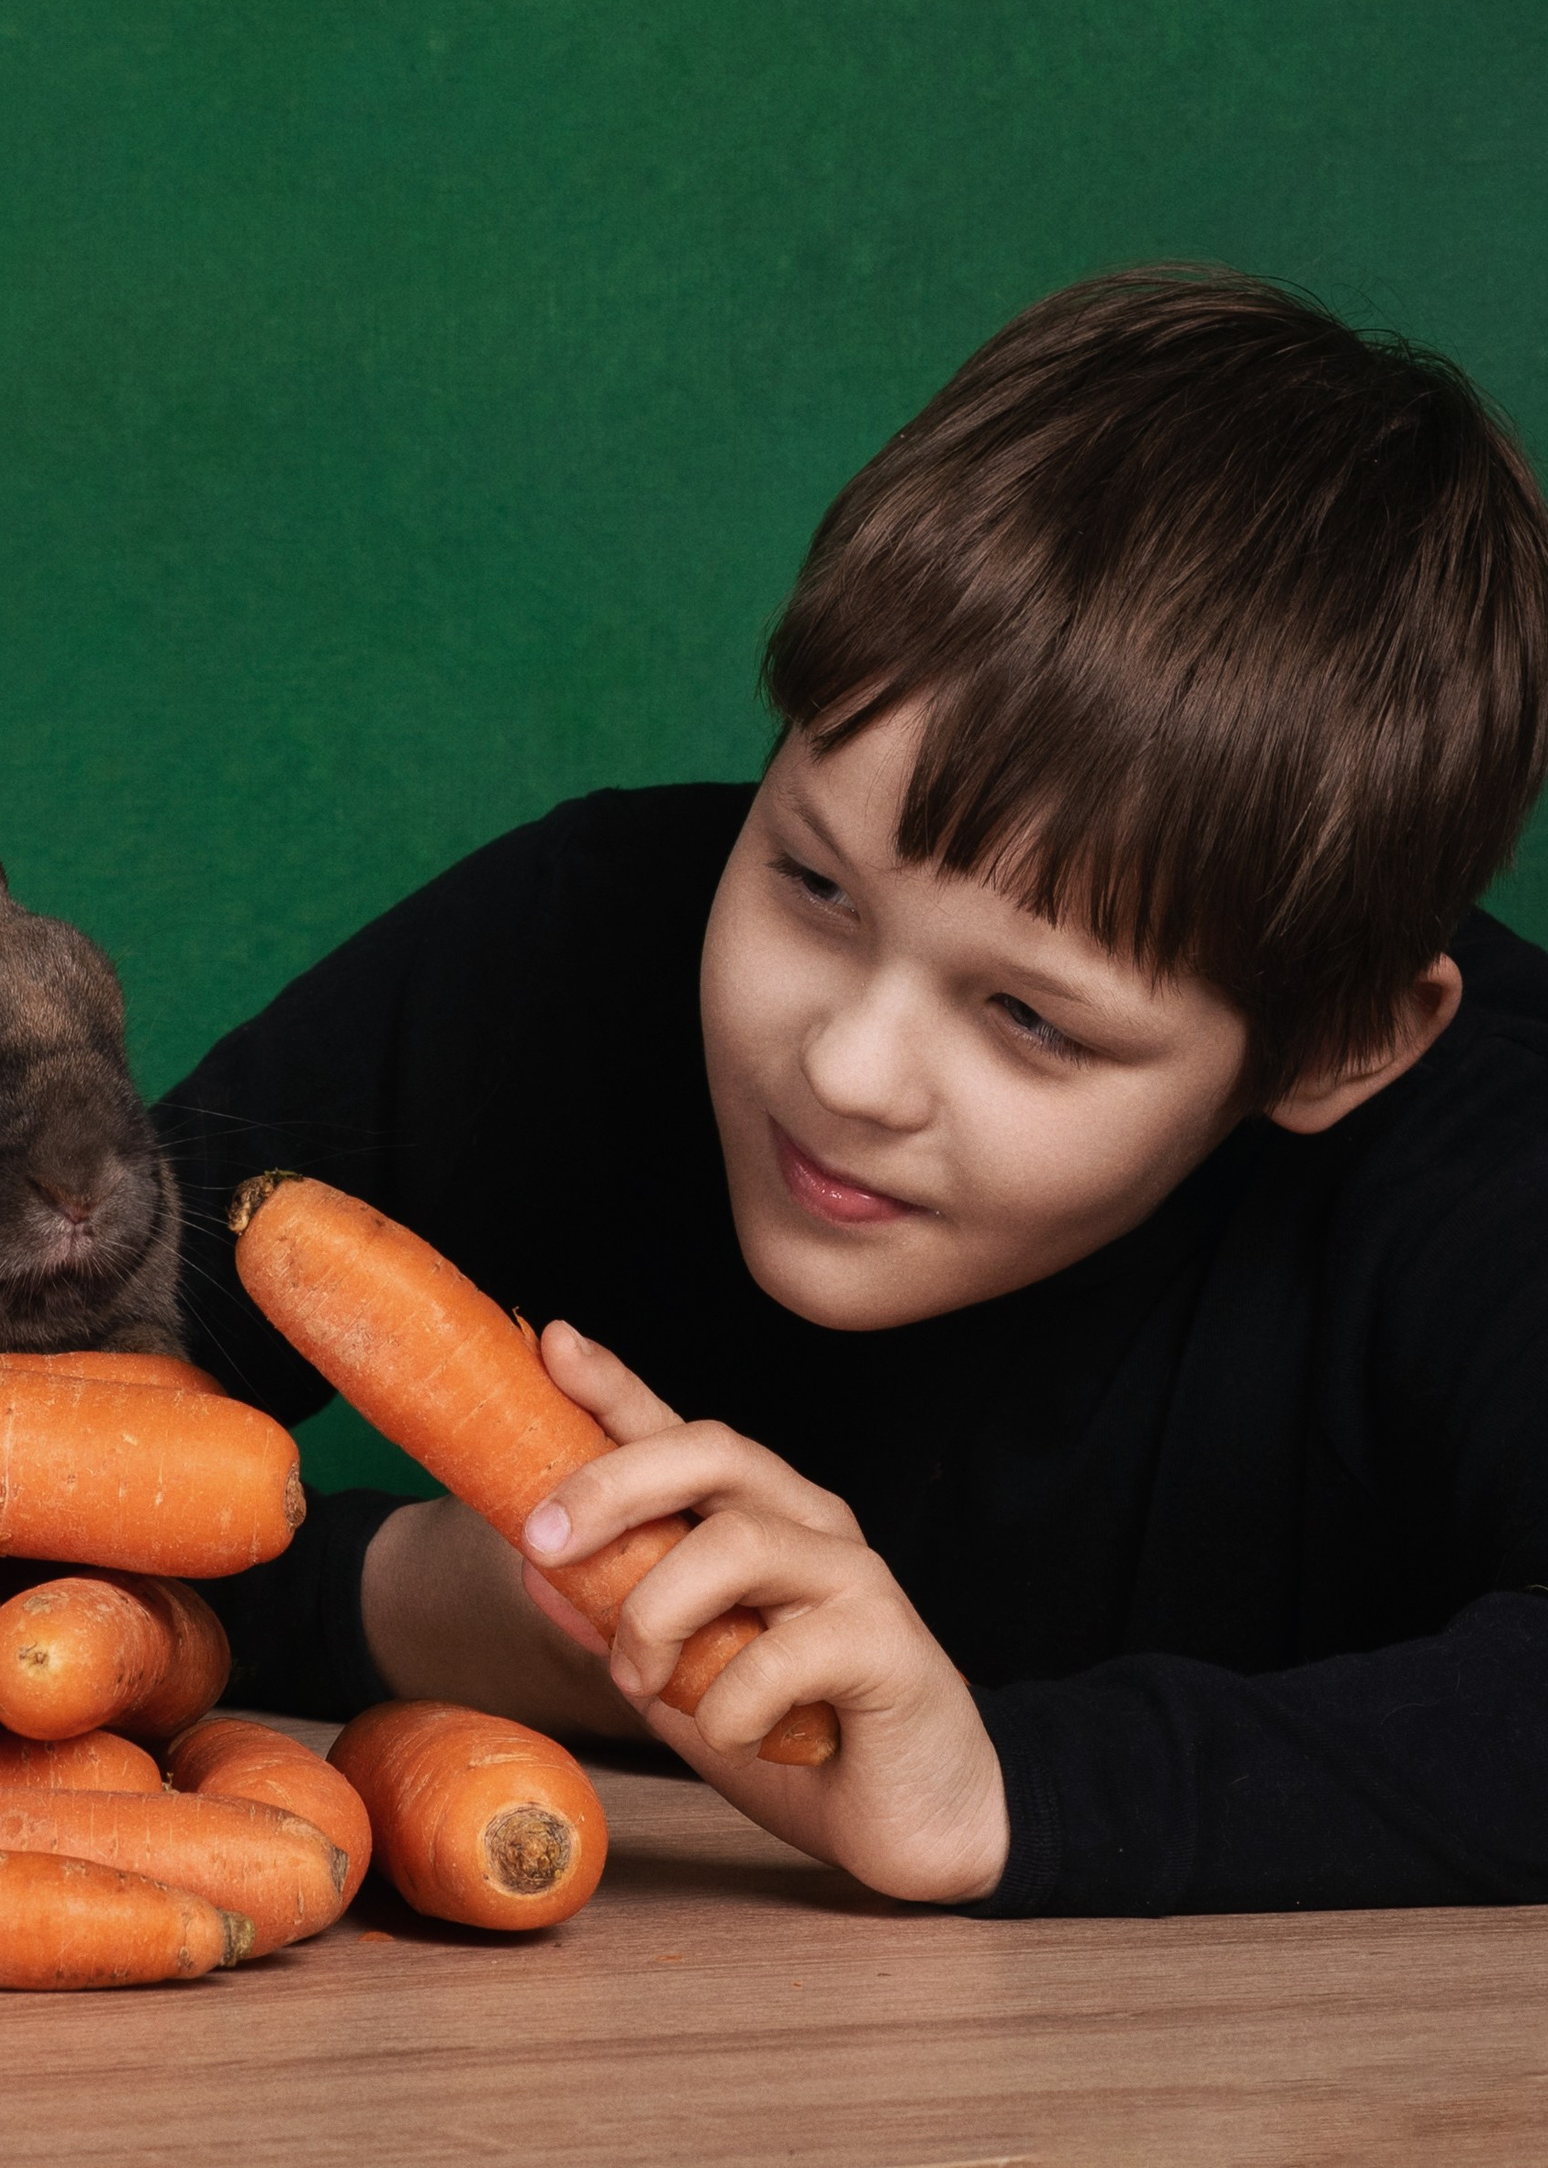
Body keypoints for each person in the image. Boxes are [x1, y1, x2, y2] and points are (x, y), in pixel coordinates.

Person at [157, 267, 1548, 1917]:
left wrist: (999, 1795)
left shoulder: (1494, 1162)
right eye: (814, 887)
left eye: (1032, 1020)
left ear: (1340, 1051)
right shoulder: (578, 940)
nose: (844, 1068)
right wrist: (423, 1599)